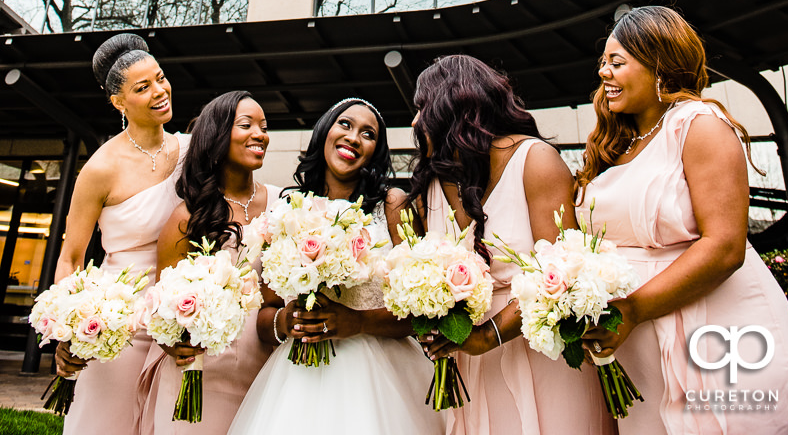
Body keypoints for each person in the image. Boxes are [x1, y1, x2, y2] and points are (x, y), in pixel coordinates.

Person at [576, 4, 788, 434]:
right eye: (602, 62)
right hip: (641, 350)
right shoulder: (616, 145)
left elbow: (725, 247)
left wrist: (632, 309)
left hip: (716, 329)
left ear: (659, 64)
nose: (604, 73)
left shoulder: (700, 125)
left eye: (616, 62)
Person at [406, 54, 613, 435]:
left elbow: (565, 275)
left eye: (422, 107)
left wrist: (489, 336)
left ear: (451, 103)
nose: (416, 121)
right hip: (467, 362)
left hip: (541, 352)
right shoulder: (429, 187)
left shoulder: (535, 162)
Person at [228, 98, 444, 435]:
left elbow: (421, 311)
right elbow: (266, 313)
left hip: (385, 375)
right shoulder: (286, 209)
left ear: (376, 150)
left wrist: (358, 322)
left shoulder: (391, 205)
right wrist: (287, 322)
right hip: (299, 379)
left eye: (368, 134)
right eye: (345, 124)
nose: (354, 137)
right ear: (324, 130)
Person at [54, 32, 189, 435]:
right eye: (142, 87)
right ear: (118, 102)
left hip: (181, 312)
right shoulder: (100, 168)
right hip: (120, 321)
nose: (159, 91)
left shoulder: (189, 150)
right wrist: (73, 327)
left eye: (161, 78)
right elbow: (71, 257)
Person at [137, 90, 279, 434]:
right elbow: (161, 307)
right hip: (200, 374)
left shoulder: (281, 204)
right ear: (217, 135)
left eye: (263, 125)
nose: (260, 134)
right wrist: (176, 345)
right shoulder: (188, 216)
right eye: (246, 124)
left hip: (266, 374)